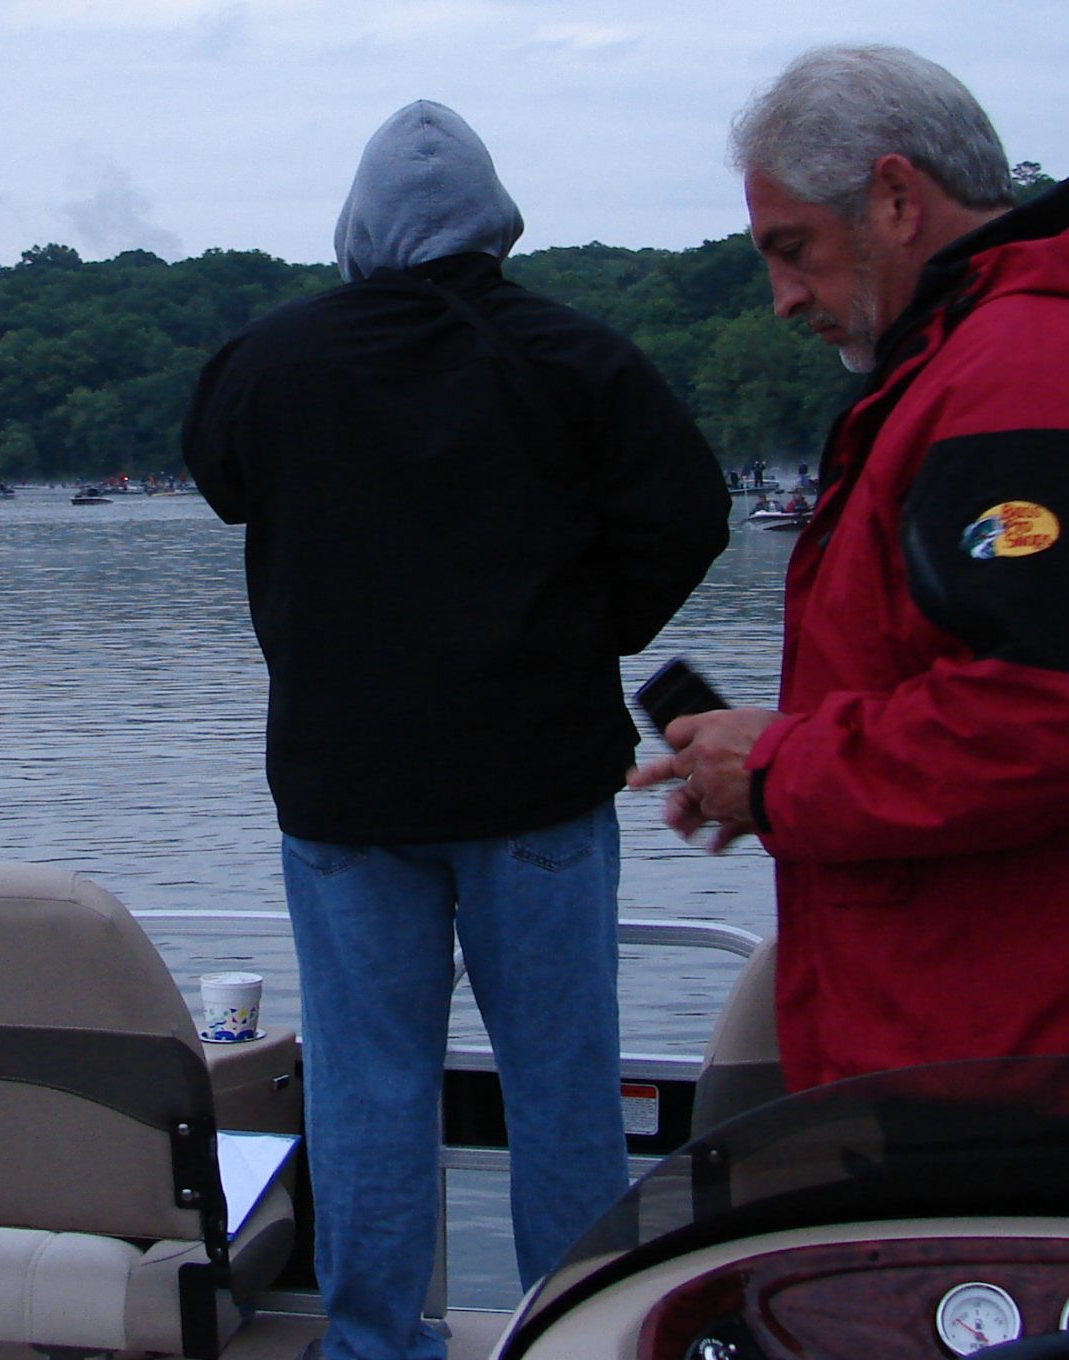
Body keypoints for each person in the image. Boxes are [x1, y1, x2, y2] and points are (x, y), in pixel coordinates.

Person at [632, 44, 1069, 1092]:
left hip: (1066, 1054)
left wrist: (780, 769)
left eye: (794, 248)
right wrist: (767, 772)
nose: (782, 297)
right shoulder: (986, 363)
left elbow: (1037, 719)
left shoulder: (1030, 372)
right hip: (1035, 1028)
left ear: (895, 198)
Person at [184, 101, 729, 1360]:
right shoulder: (578, 359)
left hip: (346, 797)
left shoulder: (268, 363)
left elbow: (222, 481)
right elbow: (690, 512)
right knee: (563, 1086)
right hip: (538, 786)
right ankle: (577, 1339)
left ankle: (376, 1344)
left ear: (358, 228)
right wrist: (590, 627)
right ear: (497, 226)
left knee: (367, 1085)